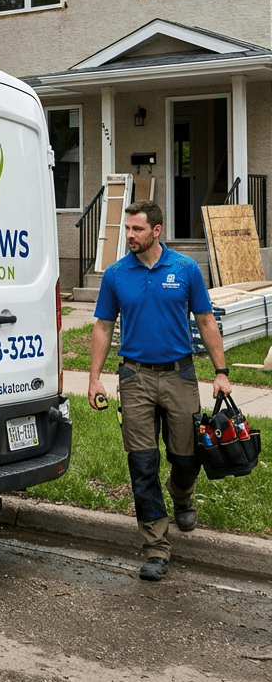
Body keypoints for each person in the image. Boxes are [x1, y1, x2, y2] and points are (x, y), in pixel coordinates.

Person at [87, 199, 230, 582]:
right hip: (135, 378)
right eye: (127, 228)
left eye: (136, 229)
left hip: (180, 375)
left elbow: (205, 320)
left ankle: (181, 495)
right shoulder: (116, 274)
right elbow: (103, 327)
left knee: (187, 458)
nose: (129, 235)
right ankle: (156, 546)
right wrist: (95, 378)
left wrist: (221, 372)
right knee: (142, 464)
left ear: (156, 230)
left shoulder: (185, 269)